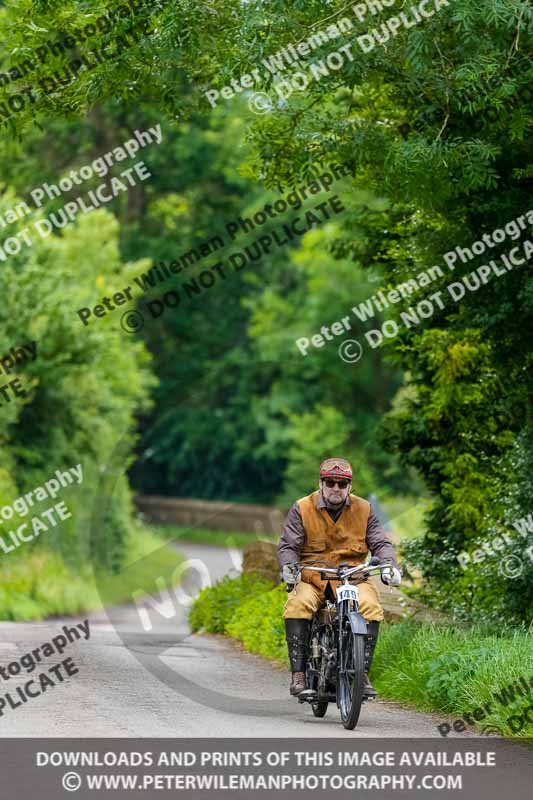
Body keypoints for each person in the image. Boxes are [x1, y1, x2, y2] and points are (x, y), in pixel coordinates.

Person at [278, 457, 401, 698]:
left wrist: (388, 566)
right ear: (321, 483)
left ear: (349, 486)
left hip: (353, 576)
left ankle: (361, 673)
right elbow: (288, 545)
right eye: (330, 482)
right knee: (298, 604)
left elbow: (381, 542)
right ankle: (299, 675)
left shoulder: (364, 509)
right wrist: (289, 567)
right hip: (313, 576)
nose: (336, 488)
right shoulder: (302, 507)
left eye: (342, 484)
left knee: (371, 607)